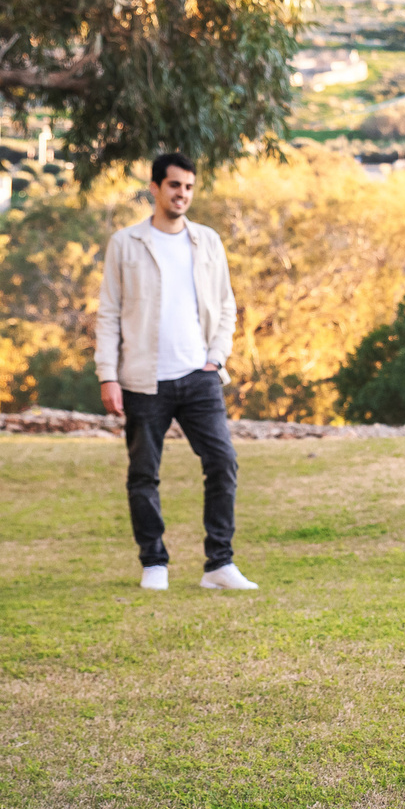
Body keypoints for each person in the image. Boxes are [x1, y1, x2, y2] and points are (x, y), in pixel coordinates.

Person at [95, 152, 257, 594]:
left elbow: (226, 305)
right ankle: (154, 563)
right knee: (143, 473)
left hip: (199, 374)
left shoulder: (207, 240)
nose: (181, 193)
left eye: (188, 186)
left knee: (222, 462)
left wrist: (216, 358)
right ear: (155, 188)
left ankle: (218, 565)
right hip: (144, 379)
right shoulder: (126, 244)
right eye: (173, 185)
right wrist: (107, 374)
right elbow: (108, 314)